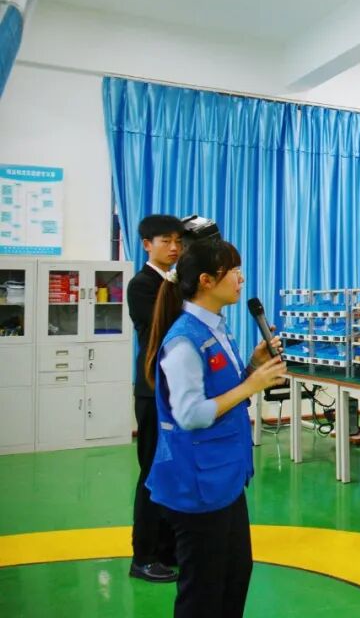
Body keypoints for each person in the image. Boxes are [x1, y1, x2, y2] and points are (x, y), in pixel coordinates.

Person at [144, 239, 286, 618]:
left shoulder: (218, 328)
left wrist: (253, 366)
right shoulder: (183, 341)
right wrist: (251, 385)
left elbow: (223, 391)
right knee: (203, 593)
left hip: (225, 478)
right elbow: (190, 414)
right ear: (206, 281)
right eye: (233, 271)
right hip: (197, 485)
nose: (241, 279)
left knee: (235, 576)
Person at [128, 214, 183, 584]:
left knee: (172, 471)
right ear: (147, 245)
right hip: (152, 390)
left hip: (175, 389)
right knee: (151, 472)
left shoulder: (174, 282)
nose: (174, 248)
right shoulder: (142, 285)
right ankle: (143, 556)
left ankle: (167, 548)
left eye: (178, 241)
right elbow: (164, 328)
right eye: (166, 241)